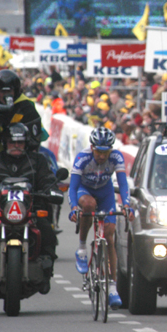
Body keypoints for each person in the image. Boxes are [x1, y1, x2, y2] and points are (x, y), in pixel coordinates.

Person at [68, 127, 135, 309]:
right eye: (99, 151)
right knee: (88, 206)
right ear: (92, 147)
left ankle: (112, 287)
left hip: (105, 193)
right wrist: (74, 207)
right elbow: (72, 187)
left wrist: (127, 204)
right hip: (85, 190)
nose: (102, 156)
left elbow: (122, 184)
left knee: (110, 235)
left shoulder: (116, 157)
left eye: (106, 152)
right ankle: (82, 248)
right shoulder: (83, 158)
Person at [0, 124, 58, 294]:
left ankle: (46, 270)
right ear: (4, 142)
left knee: (47, 230)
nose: (16, 145)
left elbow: (48, 179)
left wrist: (52, 190)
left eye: (20, 142)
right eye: (11, 142)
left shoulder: (38, 161)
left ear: (26, 143)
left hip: (31, 211)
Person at [0, 69, 45, 152]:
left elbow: (35, 139)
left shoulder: (26, 107)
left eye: (9, 91)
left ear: (15, 91)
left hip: (20, 155)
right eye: (3, 91)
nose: (6, 95)